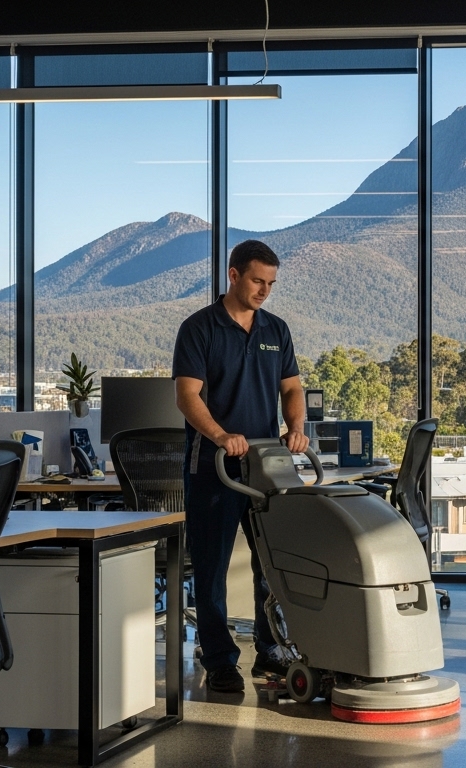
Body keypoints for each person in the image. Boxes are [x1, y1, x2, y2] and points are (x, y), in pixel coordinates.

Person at [172, 240, 311, 693]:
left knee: (270, 563)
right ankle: (219, 659)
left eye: (271, 283)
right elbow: (187, 395)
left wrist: (295, 426)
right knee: (211, 569)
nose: (264, 291)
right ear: (233, 276)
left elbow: (292, 388)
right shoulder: (199, 329)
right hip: (214, 464)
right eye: (257, 281)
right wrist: (219, 435)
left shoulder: (276, 329)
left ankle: (269, 648)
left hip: (265, 465)